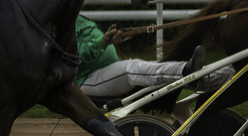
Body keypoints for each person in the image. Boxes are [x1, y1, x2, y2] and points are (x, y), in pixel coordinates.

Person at [75, 13, 234, 99]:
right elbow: (74, 56)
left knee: (154, 68)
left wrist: (110, 40)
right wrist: (103, 41)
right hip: (86, 80)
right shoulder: (67, 22)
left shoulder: (78, 18)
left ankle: (225, 75)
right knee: (133, 68)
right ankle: (190, 72)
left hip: (106, 72)